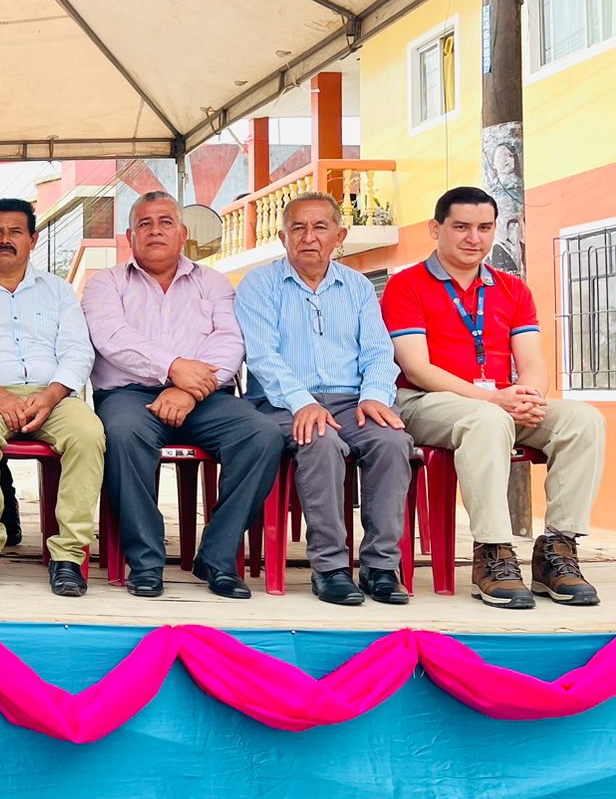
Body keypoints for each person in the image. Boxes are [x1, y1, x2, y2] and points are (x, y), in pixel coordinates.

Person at [382, 186, 602, 608]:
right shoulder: (406, 285)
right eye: (461, 227)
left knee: (583, 419)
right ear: (435, 229)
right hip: (425, 402)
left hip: (499, 404)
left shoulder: (512, 288)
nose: (474, 238)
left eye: (484, 228)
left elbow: (533, 362)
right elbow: (417, 367)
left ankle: (557, 550)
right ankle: (493, 552)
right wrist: (495, 401)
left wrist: (528, 396)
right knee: (487, 420)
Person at [83, 191, 284, 600]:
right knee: (122, 434)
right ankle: (146, 562)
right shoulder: (106, 283)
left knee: (262, 435)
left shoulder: (213, 283)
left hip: (204, 396)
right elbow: (112, 337)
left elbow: (230, 340)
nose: (155, 230)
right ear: (130, 237)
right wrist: (173, 368)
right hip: (129, 395)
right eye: (144, 224)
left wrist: (187, 390)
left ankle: (218, 557)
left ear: (183, 233)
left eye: (165, 222)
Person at [235, 192, 412, 606]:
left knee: (392, 441)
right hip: (281, 403)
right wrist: (302, 402)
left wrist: (374, 396)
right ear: (283, 237)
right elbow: (262, 357)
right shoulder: (259, 285)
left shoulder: (358, 287)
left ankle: (380, 567)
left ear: (339, 236)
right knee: (319, 441)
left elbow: (378, 352)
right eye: (297, 228)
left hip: (351, 401)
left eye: (319, 227)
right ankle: (330, 568)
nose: (308, 237)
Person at [0, 198, 104, 597]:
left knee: (89, 433)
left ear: (32, 239)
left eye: (15, 231)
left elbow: (78, 350)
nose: (5, 239)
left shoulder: (58, 291)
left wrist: (51, 395)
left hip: (52, 395)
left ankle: (68, 555)